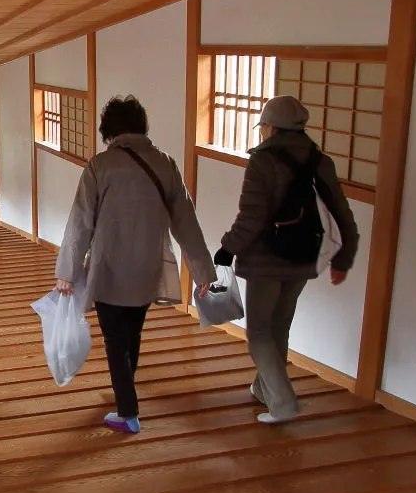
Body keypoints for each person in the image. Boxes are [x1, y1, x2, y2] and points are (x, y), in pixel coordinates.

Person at [55, 95, 216, 434]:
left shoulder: (100, 165)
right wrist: (203, 271)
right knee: (132, 331)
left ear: (108, 131)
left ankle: (127, 411)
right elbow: (186, 220)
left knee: (114, 337)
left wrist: (67, 273)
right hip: (148, 267)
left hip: (110, 266)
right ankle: (124, 388)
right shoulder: (166, 163)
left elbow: (81, 221)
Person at [215, 94, 359, 425]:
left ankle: (282, 402)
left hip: (267, 260)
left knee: (259, 333)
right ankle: (264, 388)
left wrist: (228, 248)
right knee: (279, 326)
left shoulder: (263, 161)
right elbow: (342, 214)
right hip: (303, 257)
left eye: (263, 126)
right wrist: (343, 258)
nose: (262, 132)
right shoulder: (320, 161)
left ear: (271, 127)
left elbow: (250, 217)